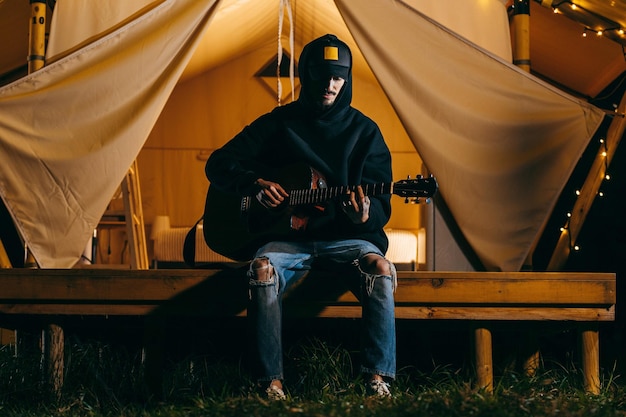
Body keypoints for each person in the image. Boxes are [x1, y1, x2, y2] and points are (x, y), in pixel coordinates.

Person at [204, 34, 396, 400]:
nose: (330, 84)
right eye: (321, 75)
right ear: (305, 74)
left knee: (380, 269)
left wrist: (363, 219)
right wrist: (252, 183)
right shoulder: (279, 123)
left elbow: (381, 207)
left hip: (346, 240)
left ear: (348, 78)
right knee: (261, 269)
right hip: (286, 241)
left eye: (338, 76)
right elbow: (218, 164)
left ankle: (377, 380)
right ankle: (269, 383)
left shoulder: (365, 133)